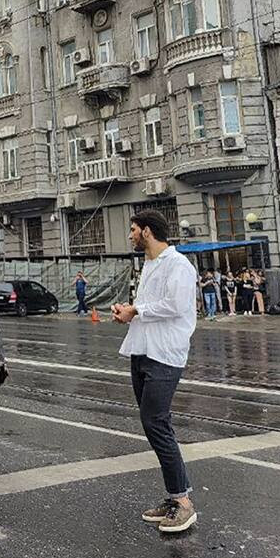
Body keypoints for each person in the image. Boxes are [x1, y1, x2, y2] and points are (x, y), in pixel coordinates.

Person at [111, 210, 198, 534]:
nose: (131, 235)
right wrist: (128, 313)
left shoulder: (178, 265)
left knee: (156, 422)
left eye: (133, 230)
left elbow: (176, 306)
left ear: (147, 232)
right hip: (143, 350)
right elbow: (149, 309)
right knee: (154, 424)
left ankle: (184, 504)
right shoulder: (149, 264)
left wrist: (138, 310)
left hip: (165, 354)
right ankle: (176, 495)